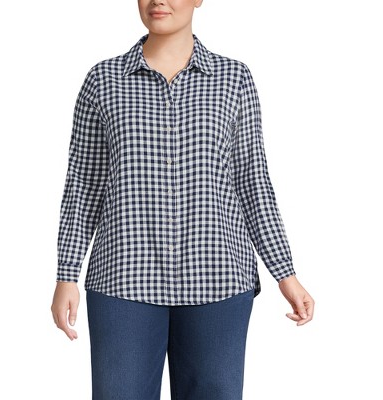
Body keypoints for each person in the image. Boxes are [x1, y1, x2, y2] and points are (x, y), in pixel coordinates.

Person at [51, 1, 315, 399]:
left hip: (219, 279)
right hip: (123, 278)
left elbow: (252, 180)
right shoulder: (103, 80)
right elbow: (84, 184)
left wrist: (285, 273)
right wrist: (66, 274)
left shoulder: (234, 79)